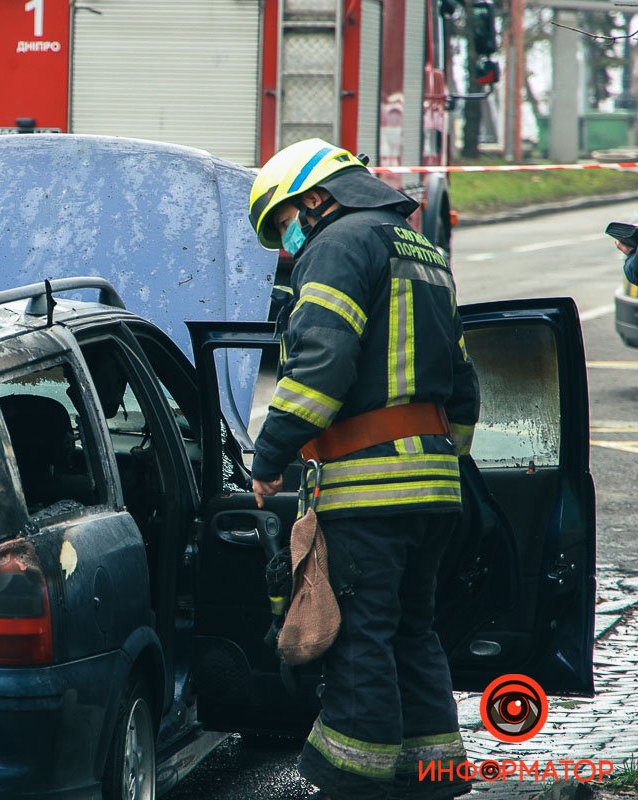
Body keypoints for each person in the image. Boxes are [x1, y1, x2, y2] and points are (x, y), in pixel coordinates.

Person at [246, 138, 479, 800]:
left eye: (285, 222)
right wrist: (441, 465)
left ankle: (353, 784)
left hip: (367, 494)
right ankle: (431, 777)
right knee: (413, 634)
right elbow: (463, 388)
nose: (288, 243)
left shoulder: (337, 244)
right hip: (434, 492)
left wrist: (268, 460)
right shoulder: (420, 249)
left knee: (359, 645)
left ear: (318, 197)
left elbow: (319, 370)